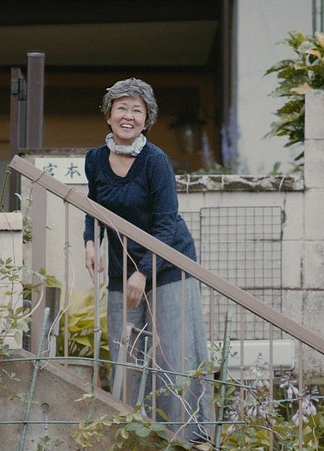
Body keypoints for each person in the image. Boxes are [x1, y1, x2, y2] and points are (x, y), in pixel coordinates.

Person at [82, 78, 213, 444]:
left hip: (168, 264)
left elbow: (166, 224)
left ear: (146, 119)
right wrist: (91, 241)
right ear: (109, 115)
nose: (128, 116)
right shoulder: (95, 159)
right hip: (122, 267)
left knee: (174, 356)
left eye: (136, 111)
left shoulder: (155, 161)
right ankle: (131, 437)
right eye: (121, 108)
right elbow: (93, 206)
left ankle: (188, 438)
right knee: (125, 354)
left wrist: (143, 272)